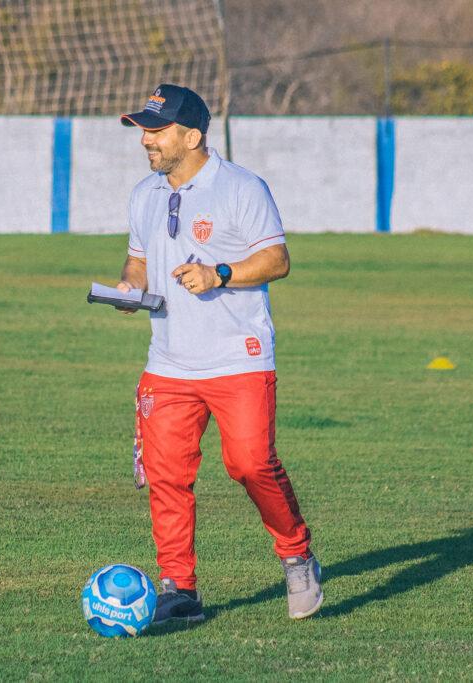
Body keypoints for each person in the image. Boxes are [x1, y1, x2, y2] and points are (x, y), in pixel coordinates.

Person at [114, 84, 322, 623]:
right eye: (144, 130)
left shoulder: (241, 187)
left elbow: (277, 260)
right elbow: (138, 260)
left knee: (251, 464)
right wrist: (130, 287)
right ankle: (179, 589)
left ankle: (296, 554)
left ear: (192, 137)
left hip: (239, 358)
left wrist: (219, 274)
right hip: (168, 362)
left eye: (157, 131)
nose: (146, 141)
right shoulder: (144, 193)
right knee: (166, 477)